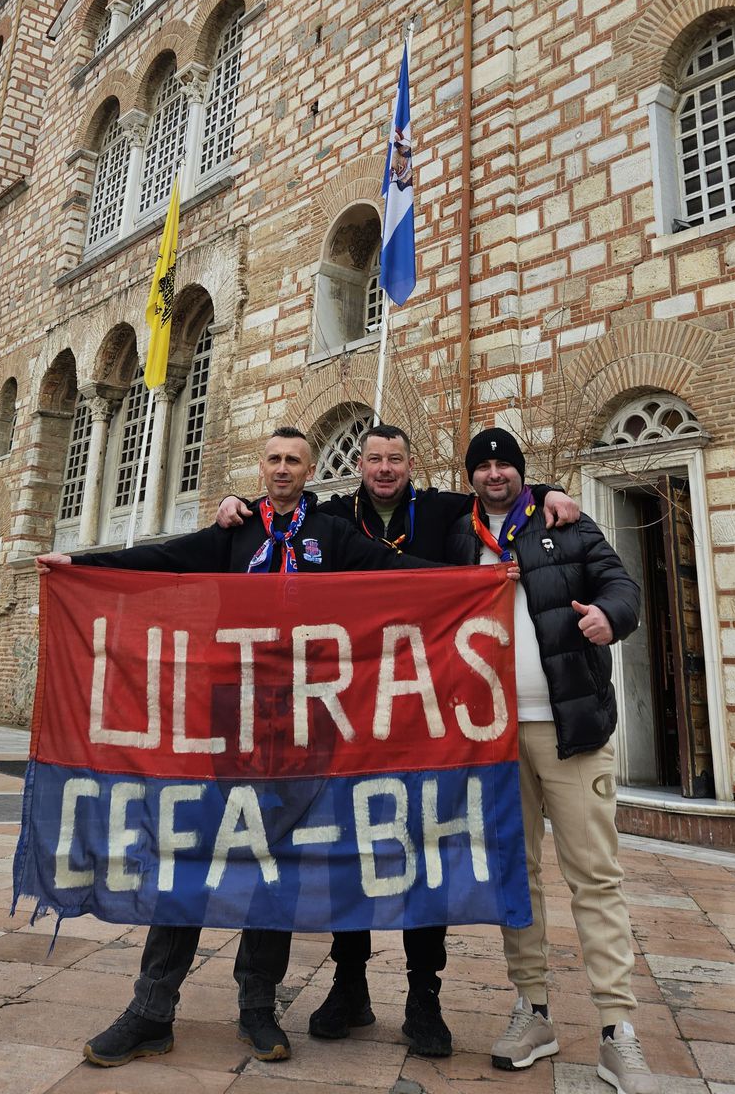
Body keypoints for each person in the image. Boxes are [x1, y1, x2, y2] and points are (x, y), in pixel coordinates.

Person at [36, 426, 435, 1071]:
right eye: (273, 459)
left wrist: (483, 578)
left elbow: (395, 571)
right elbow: (162, 558)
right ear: (262, 466)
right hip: (225, 722)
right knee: (190, 852)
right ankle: (150, 1010)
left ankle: (257, 1006)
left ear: (310, 471)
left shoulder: (331, 535)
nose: (282, 469)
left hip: (301, 727)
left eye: (294, 461)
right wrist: (80, 565)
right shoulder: (234, 531)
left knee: (269, 863)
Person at [217, 422, 581, 1058]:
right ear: (359, 465)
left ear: (412, 465)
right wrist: (239, 506)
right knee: (355, 845)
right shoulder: (331, 516)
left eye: (396, 460)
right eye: (374, 459)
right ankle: (350, 986)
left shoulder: (441, 509)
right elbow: (275, 510)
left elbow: (498, 488)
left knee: (425, 848)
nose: (385, 469)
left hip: (426, 710)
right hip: (352, 712)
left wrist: (548, 491)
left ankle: (424, 999)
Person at [442, 426, 655, 1094]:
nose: (496, 472)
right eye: (485, 464)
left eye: (506, 463)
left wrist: (610, 618)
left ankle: (619, 1030)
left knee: (594, 877)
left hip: (571, 726)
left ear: (521, 473)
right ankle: (533, 1010)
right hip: (492, 735)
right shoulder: (456, 536)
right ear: (471, 475)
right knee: (518, 875)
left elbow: (622, 585)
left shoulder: (565, 521)